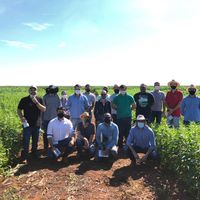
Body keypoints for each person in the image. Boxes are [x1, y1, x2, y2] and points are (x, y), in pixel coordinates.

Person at [17, 85, 46, 160]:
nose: (33, 91)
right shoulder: (24, 99)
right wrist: (21, 117)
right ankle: (25, 156)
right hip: (27, 124)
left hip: (37, 124)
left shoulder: (39, 99)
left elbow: (43, 109)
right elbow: (19, 109)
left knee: (35, 140)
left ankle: (34, 153)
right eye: (31, 90)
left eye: (34, 90)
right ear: (29, 91)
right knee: (26, 141)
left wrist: (36, 102)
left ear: (37, 91)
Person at [42, 85, 61, 150]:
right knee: (46, 133)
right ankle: (46, 147)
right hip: (46, 118)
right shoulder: (45, 97)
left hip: (55, 118)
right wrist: (42, 120)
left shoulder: (57, 96)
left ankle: (54, 146)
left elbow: (59, 107)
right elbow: (42, 110)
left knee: (55, 133)